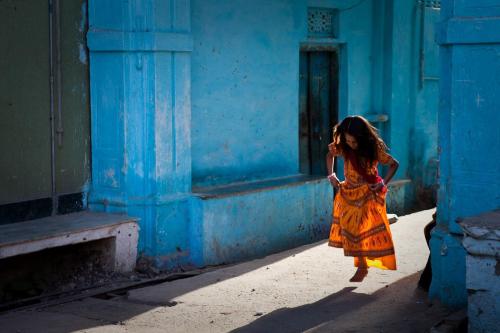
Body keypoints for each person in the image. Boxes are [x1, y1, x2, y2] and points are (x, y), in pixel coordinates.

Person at [326, 115, 399, 282]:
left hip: (368, 193)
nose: (351, 144)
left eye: (354, 142)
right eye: (348, 141)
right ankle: (362, 265)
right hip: (349, 193)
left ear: (363, 138)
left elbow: (394, 164)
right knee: (352, 230)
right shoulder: (344, 147)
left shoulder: (373, 150)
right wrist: (331, 175)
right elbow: (329, 155)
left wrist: (383, 184)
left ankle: (362, 267)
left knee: (361, 230)